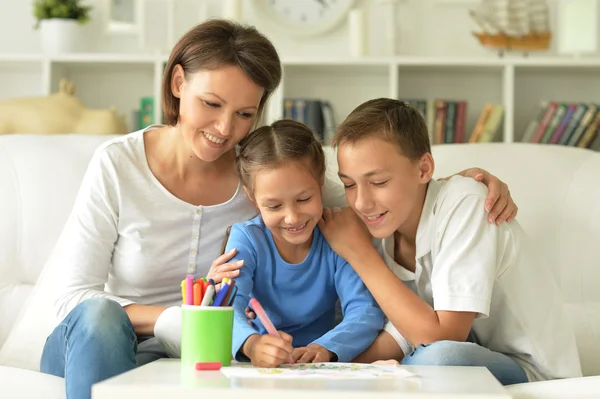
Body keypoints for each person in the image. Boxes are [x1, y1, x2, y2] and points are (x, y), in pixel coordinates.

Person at [38, 19, 517, 399]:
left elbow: (365, 188)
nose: (225, 128)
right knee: (101, 314)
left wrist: (455, 182)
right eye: (211, 103)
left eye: (245, 113)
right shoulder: (117, 164)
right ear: (178, 82)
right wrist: (185, 318)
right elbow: (70, 300)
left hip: (205, 361)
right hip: (114, 348)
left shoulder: (266, 175)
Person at [318, 98, 583, 385]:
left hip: (532, 375)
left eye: (379, 182)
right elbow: (407, 329)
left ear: (423, 170)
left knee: (439, 359)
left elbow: (442, 338)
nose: (362, 201)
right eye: (349, 184)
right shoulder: (383, 218)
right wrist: (331, 367)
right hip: (457, 350)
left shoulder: (466, 203)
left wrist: (359, 253)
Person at [228, 120, 384, 367]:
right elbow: (227, 306)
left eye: (304, 199)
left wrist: (326, 347)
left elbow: (365, 311)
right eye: (274, 206)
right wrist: (252, 344)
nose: (292, 218)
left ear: (321, 181)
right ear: (252, 197)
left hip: (321, 366)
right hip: (257, 366)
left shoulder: (336, 236)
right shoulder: (247, 238)